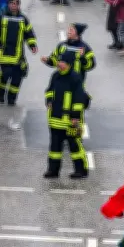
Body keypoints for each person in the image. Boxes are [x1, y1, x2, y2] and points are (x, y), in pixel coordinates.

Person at [43, 49, 90, 179]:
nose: (59, 63)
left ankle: (81, 170)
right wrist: (48, 100)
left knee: (75, 146)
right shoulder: (55, 76)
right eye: (59, 61)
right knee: (54, 148)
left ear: (69, 64)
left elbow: (79, 99)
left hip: (71, 121)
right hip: (55, 120)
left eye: (62, 61)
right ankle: (53, 170)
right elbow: (49, 90)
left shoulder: (75, 78)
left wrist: (75, 116)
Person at [0, 0, 38, 105]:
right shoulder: (1, 17)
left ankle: (12, 99)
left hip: (18, 55)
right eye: (12, 3)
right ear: (8, 4)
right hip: (4, 54)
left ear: (19, 5)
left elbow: (29, 33)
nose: (13, 6)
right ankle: (1, 94)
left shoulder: (23, 19)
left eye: (16, 4)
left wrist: (32, 45)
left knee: (17, 77)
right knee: (6, 76)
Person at [42, 23, 96, 88]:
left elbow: (91, 66)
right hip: (62, 82)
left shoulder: (85, 48)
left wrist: (82, 58)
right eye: (69, 29)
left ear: (77, 33)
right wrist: (47, 60)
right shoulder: (62, 46)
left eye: (71, 30)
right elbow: (54, 60)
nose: (68, 31)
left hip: (77, 85)